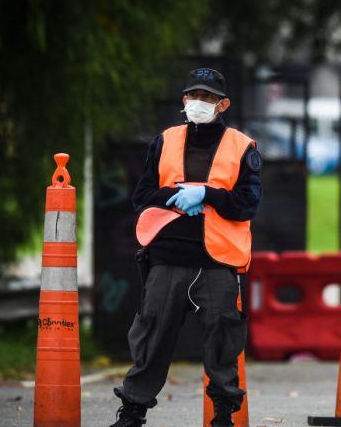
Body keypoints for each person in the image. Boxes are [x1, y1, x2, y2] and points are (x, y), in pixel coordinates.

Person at [111, 68, 262, 427]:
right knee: (152, 337)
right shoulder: (164, 141)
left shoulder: (242, 147)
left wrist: (207, 195)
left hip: (217, 260)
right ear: (184, 100)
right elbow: (142, 196)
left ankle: (223, 416)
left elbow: (247, 203)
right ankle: (132, 413)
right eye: (194, 95)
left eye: (208, 97)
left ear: (222, 104)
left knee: (222, 341)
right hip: (167, 257)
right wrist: (176, 197)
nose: (199, 103)